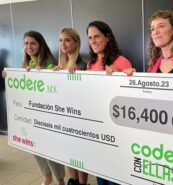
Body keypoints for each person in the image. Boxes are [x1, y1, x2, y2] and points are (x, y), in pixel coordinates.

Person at [2, 31, 65, 185]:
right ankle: (47, 177)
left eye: (32, 43)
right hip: (32, 115)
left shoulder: (49, 62)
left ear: (40, 44)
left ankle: (61, 180)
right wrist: (9, 76)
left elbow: (56, 89)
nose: (28, 47)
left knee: (50, 150)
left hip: (47, 115)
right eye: (26, 43)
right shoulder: (28, 62)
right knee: (35, 147)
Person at [87, 20, 132, 185]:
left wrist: (118, 76)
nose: (93, 41)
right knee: (101, 174)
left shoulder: (122, 61)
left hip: (116, 130)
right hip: (96, 127)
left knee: (116, 177)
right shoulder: (90, 64)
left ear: (107, 37)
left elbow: (130, 98)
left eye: (97, 36)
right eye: (90, 38)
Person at [57, 28, 87, 185]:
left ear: (76, 42)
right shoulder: (61, 64)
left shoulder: (82, 64)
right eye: (61, 40)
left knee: (80, 153)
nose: (63, 43)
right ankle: (73, 181)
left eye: (67, 40)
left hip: (77, 116)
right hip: (64, 114)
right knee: (68, 151)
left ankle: (82, 183)